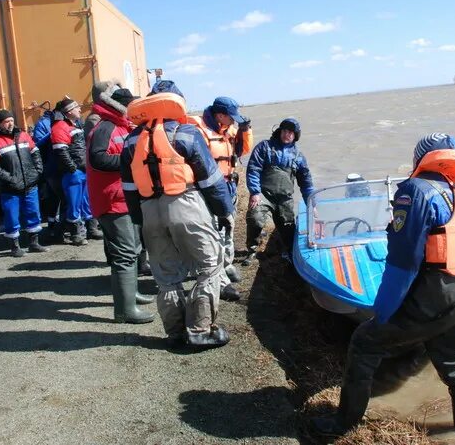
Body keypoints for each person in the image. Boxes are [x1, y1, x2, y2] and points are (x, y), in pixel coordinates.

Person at [310, 133, 455, 437]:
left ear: (420, 158)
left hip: (434, 301)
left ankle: (343, 424)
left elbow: (403, 263)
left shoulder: (414, 192)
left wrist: (382, 312)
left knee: (364, 344)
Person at [120, 92, 234, 347]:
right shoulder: (187, 133)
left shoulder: (130, 141)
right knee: (209, 267)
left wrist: (140, 222)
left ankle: (175, 333)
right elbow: (211, 180)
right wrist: (224, 212)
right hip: (187, 204)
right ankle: (200, 330)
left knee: (166, 277)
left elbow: (129, 188)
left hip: (149, 210)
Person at [86, 87, 155, 324]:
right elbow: (98, 158)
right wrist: (132, 162)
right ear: (124, 107)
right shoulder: (105, 127)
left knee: (134, 249)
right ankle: (125, 310)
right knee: (124, 254)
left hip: (123, 199)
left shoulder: (120, 125)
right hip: (112, 201)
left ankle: (131, 294)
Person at [188, 96, 253, 301]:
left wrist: (245, 130)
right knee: (215, 231)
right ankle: (219, 277)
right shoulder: (201, 132)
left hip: (230, 186)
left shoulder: (229, 129)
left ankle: (227, 264)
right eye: (230, 117)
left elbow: (242, 150)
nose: (234, 121)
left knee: (229, 228)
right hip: (212, 189)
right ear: (219, 115)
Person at [244, 117, 314, 264]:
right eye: (284, 131)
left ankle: (288, 252)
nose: (286, 134)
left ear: (295, 136)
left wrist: (311, 203)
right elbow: (253, 169)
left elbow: (306, 183)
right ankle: (252, 250)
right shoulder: (265, 147)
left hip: (285, 198)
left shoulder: (299, 157)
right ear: (279, 131)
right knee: (254, 218)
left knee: (288, 228)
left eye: (290, 132)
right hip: (264, 194)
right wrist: (255, 192)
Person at [0, 110, 48, 257]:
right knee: (12, 217)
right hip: (10, 189)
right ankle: (15, 247)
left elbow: (35, 153)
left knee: (33, 213)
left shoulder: (23, 136)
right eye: (6, 121)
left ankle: (34, 243)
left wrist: (36, 172)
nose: (10, 123)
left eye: (11, 120)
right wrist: (10, 179)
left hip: (30, 185)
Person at [51, 97, 102, 245]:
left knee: (86, 201)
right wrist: (72, 168)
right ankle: (76, 234)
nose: (80, 109)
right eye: (76, 107)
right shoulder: (60, 126)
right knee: (74, 204)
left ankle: (90, 229)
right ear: (68, 111)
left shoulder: (75, 124)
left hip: (82, 169)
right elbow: (61, 151)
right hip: (73, 172)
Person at [32, 105, 64, 241]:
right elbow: (37, 144)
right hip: (50, 166)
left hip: (59, 166)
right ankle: (54, 228)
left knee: (60, 198)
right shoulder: (44, 123)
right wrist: (52, 134)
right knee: (54, 198)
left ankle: (57, 226)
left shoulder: (66, 123)